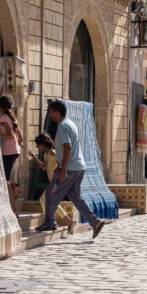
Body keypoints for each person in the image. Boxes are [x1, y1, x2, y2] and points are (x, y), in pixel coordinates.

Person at [40, 100, 106, 238]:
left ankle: (50, 223)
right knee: (75, 197)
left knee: (51, 193)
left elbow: (67, 147)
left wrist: (63, 169)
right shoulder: (70, 123)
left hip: (69, 168)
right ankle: (96, 223)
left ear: (57, 113)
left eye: (51, 112)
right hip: (78, 167)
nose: (50, 115)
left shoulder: (63, 126)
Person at [27, 133, 74, 232]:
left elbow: (63, 162)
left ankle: (48, 222)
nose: (37, 146)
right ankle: (69, 222)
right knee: (52, 202)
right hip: (53, 182)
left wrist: (57, 171)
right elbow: (44, 167)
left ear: (43, 144)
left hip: (57, 182)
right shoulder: (46, 154)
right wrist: (33, 156)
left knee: (43, 200)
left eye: (38, 144)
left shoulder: (53, 152)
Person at [0, 95, 22, 211]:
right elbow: (19, 137)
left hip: (9, 152)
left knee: (5, 181)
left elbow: (10, 135)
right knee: (5, 177)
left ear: (1, 106)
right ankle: (15, 188)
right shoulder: (13, 117)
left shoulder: (3, 118)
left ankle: (14, 211)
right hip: (15, 150)